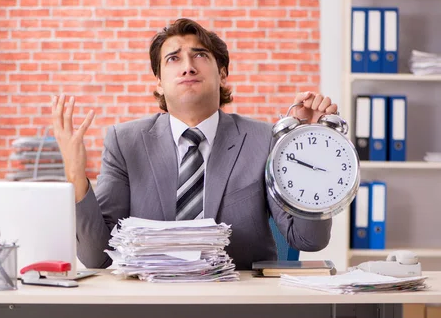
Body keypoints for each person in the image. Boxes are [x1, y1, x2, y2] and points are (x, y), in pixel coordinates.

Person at [51, 18, 338, 270]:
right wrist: (76, 174)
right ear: (159, 83)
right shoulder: (125, 143)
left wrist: (310, 146)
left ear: (222, 74)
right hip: (150, 306)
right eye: (173, 59)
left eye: (199, 55)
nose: (188, 67)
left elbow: (308, 240)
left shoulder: (264, 139)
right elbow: (96, 257)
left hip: (242, 306)